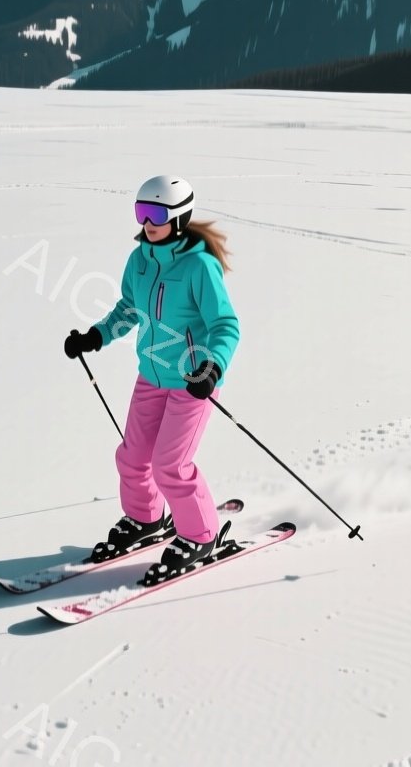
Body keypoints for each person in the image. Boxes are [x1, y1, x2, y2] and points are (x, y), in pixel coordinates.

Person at [63, 175, 241, 585]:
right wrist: (96, 336)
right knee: (132, 457)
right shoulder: (139, 259)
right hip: (151, 375)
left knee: (170, 465)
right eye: (141, 212)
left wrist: (212, 368)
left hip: (192, 382)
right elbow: (129, 308)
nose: (147, 222)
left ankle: (201, 536)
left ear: (178, 218)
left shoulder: (199, 266)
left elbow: (226, 325)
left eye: (156, 214)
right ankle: (146, 519)